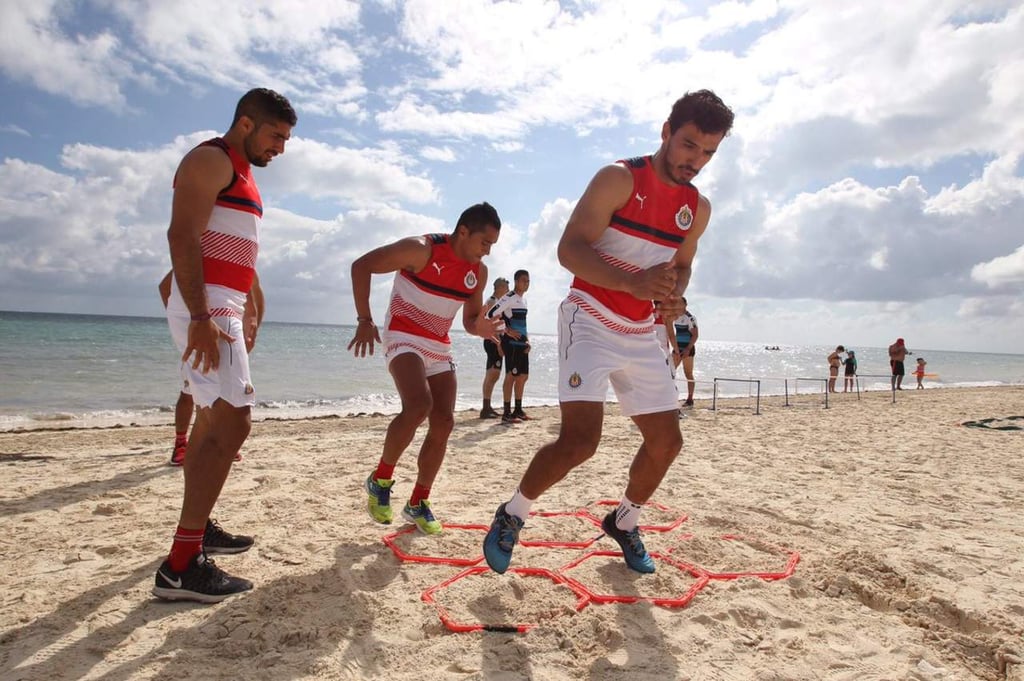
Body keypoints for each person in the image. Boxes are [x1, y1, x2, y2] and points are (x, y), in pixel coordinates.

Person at [483, 89, 734, 575]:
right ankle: (513, 513)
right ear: (666, 132)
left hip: (642, 329)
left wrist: (673, 293)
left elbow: (681, 267)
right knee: (581, 442)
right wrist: (634, 281)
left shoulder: (697, 208)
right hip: (590, 316)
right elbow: (569, 250)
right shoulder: (620, 178)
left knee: (667, 442)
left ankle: (624, 520)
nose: (696, 161)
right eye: (688, 145)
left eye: (708, 153)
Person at [152, 88, 296, 604]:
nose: (281, 147)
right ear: (245, 123)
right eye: (275, 135)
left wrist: (251, 304)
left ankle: (199, 529)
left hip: (223, 304)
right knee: (234, 420)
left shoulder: (243, 173)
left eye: (285, 139)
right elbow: (181, 236)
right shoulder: (211, 159)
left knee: (213, 420)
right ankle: (181, 564)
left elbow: (232, 247)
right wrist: (197, 316)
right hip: (208, 307)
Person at [349, 203, 504, 536]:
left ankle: (418, 502)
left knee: (445, 420)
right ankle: (380, 479)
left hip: (437, 343)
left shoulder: (478, 272)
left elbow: (470, 321)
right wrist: (365, 319)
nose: (487, 252)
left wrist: (484, 329)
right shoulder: (420, 250)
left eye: (492, 246)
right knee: (418, 405)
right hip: (403, 334)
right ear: (463, 231)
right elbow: (361, 266)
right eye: (484, 243)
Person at [159, 271, 263, 465]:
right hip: (201, 332)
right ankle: (181, 442)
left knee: (224, 395)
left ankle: (224, 441)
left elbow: (256, 295)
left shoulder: (243, 266)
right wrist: (184, 323)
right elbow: (165, 287)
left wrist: (252, 327)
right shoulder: (202, 259)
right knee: (190, 391)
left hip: (229, 334)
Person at [487, 269, 532, 423]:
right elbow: (491, 314)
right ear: (516, 281)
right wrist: (505, 330)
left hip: (521, 343)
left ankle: (517, 410)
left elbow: (523, 324)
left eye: (528, 281)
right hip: (510, 343)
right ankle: (506, 413)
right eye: (524, 280)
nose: (526, 284)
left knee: (523, 376)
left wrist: (527, 340)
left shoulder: (523, 300)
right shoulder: (509, 297)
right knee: (511, 376)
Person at [480, 277, 509, 419]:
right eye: (506, 287)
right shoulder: (492, 302)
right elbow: (488, 325)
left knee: (493, 375)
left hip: (496, 340)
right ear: (499, 287)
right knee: (492, 374)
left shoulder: (497, 302)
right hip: (492, 341)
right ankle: (485, 408)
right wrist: (498, 344)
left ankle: (487, 406)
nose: (508, 291)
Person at [673, 298, 699, 406]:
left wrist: (688, 348)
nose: (678, 305)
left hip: (688, 348)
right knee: (670, 371)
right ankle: (670, 396)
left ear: (685, 304)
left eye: (681, 303)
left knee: (688, 373)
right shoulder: (675, 317)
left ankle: (690, 398)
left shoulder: (690, 318)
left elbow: (695, 335)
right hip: (677, 348)